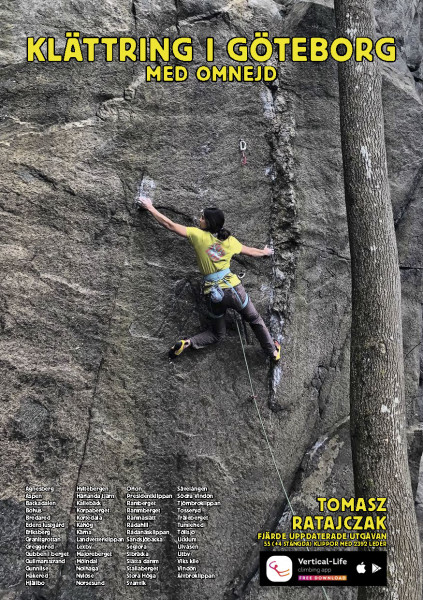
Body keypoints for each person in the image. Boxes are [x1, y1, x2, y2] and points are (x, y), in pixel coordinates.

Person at [137, 196, 281, 362]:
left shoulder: (198, 236)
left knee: (217, 334)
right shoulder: (229, 241)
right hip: (234, 290)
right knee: (254, 319)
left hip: (214, 295)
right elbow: (250, 251)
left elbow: (169, 225)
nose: (200, 219)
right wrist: (265, 252)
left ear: (209, 223)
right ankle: (272, 352)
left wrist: (150, 207)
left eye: (203, 217)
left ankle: (189, 342)